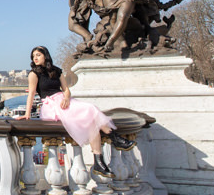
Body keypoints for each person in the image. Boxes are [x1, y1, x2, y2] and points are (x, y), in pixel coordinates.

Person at [16, 46, 135, 178]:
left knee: (92, 115)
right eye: (33, 56)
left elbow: (66, 89)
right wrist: (27, 114)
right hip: (51, 105)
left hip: (64, 101)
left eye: (38, 55)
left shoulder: (57, 71)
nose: (35, 58)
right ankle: (115, 139)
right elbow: (31, 94)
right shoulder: (34, 74)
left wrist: (66, 98)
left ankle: (99, 160)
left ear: (46, 56)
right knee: (91, 111)